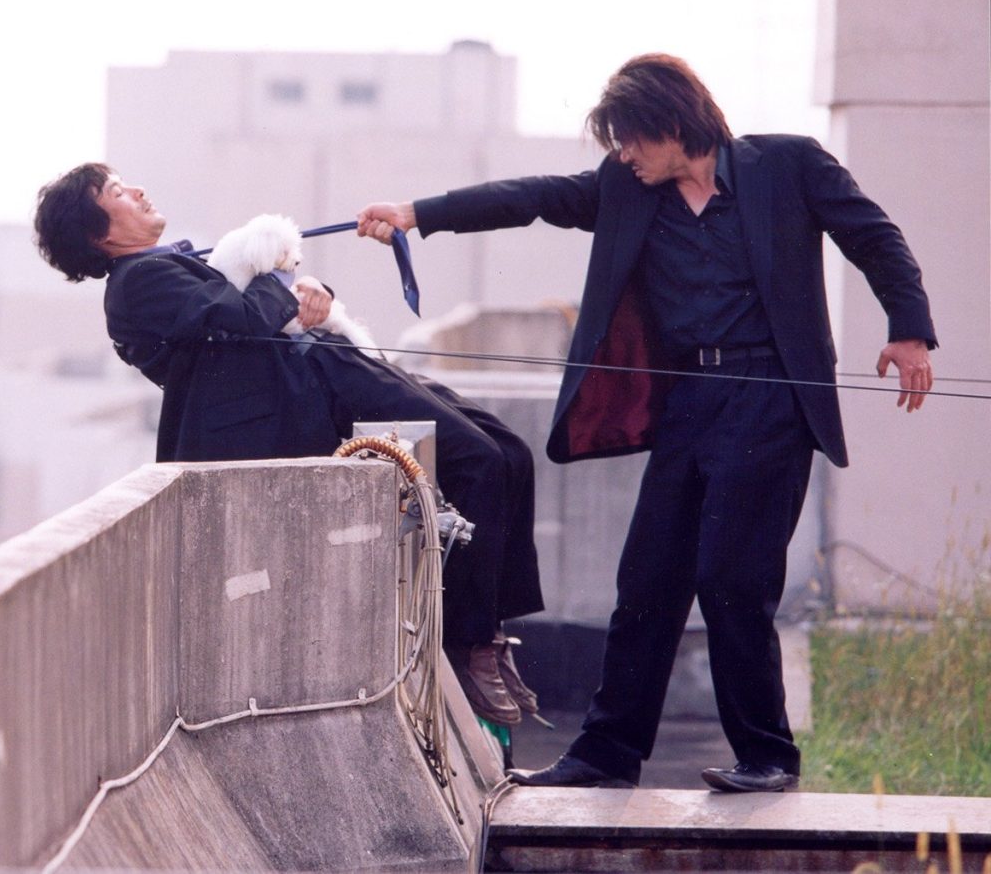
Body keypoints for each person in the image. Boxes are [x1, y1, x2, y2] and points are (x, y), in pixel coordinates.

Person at [357, 53, 936, 793]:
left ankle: (767, 757)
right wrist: (417, 214)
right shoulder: (627, 188)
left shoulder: (790, 166)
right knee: (646, 581)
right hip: (687, 401)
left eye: (630, 138)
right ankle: (607, 754)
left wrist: (908, 330)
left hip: (770, 399)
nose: (623, 155)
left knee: (732, 579)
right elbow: (532, 197)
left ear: (672, 123)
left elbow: (875, 237)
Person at [33, 162, 545, 727]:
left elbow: (260, 303)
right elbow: (241, 315)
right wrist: (288, 281)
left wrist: (312, 289)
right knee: (478, 459)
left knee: (509, 451)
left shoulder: (168, 266)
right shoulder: (137, 284)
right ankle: (470, 644)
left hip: (330, 364)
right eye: (117, 192)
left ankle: (491, 631)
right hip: (315, 386)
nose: (137, 190)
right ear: (99, 234)